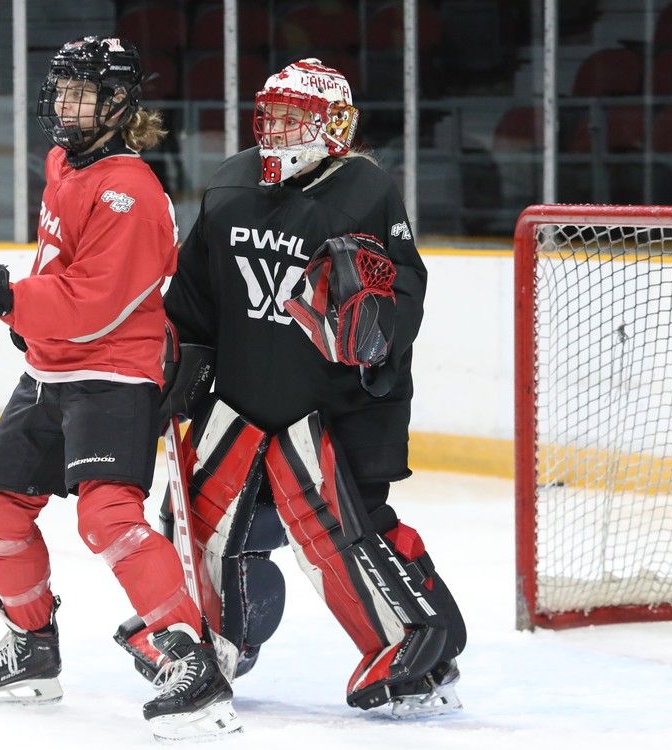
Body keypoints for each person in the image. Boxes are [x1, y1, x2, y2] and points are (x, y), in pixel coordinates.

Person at [0, 36, 241, 743]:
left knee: (109, 517)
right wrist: (17, 316)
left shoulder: (132, 191)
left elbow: (98, 300)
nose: (66, 105)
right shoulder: (63, 163)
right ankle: (31, 649)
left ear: (119, 104)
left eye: (83, 93)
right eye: (61, 90)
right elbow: (58, 264)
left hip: (114, 375)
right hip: (52, 370)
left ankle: (190, 660)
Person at [115, 58, 467, 718]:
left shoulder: (364, 190)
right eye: (271, 114)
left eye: (295, 118)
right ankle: (208, 640)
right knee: (195, 520)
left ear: (336, 125)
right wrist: (178, 359)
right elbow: (195, 295)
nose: (278, 130)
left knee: (343, 530)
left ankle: (421, 648)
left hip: (328, 405)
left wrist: (374, 325)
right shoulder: (230, 182)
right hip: (240, 395)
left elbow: (401, 298)